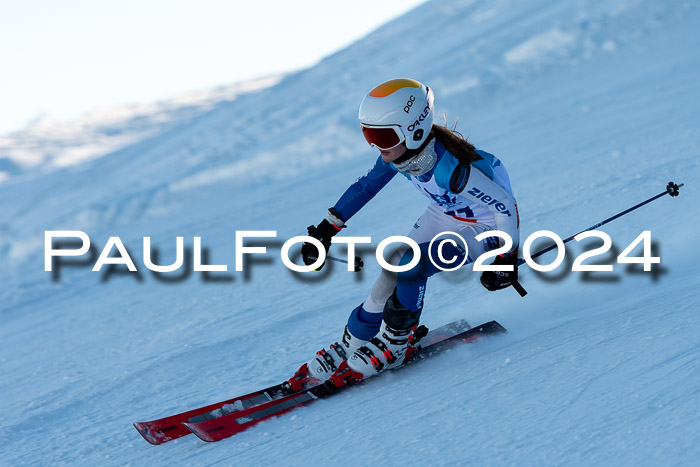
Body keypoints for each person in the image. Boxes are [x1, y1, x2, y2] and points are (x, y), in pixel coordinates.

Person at [286, 78, 520, 391]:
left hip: (486, 226)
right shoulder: (403, 153)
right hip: (447, 213)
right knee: (394, 263)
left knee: (410, 265)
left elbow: (505, 206)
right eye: (370, 134)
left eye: (383, 136)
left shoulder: (449, 170)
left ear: (415, 129)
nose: (376, 145)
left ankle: (396, 343)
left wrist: (506, 257)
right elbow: (366, 187)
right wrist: (327, 230)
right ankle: (356, 339)